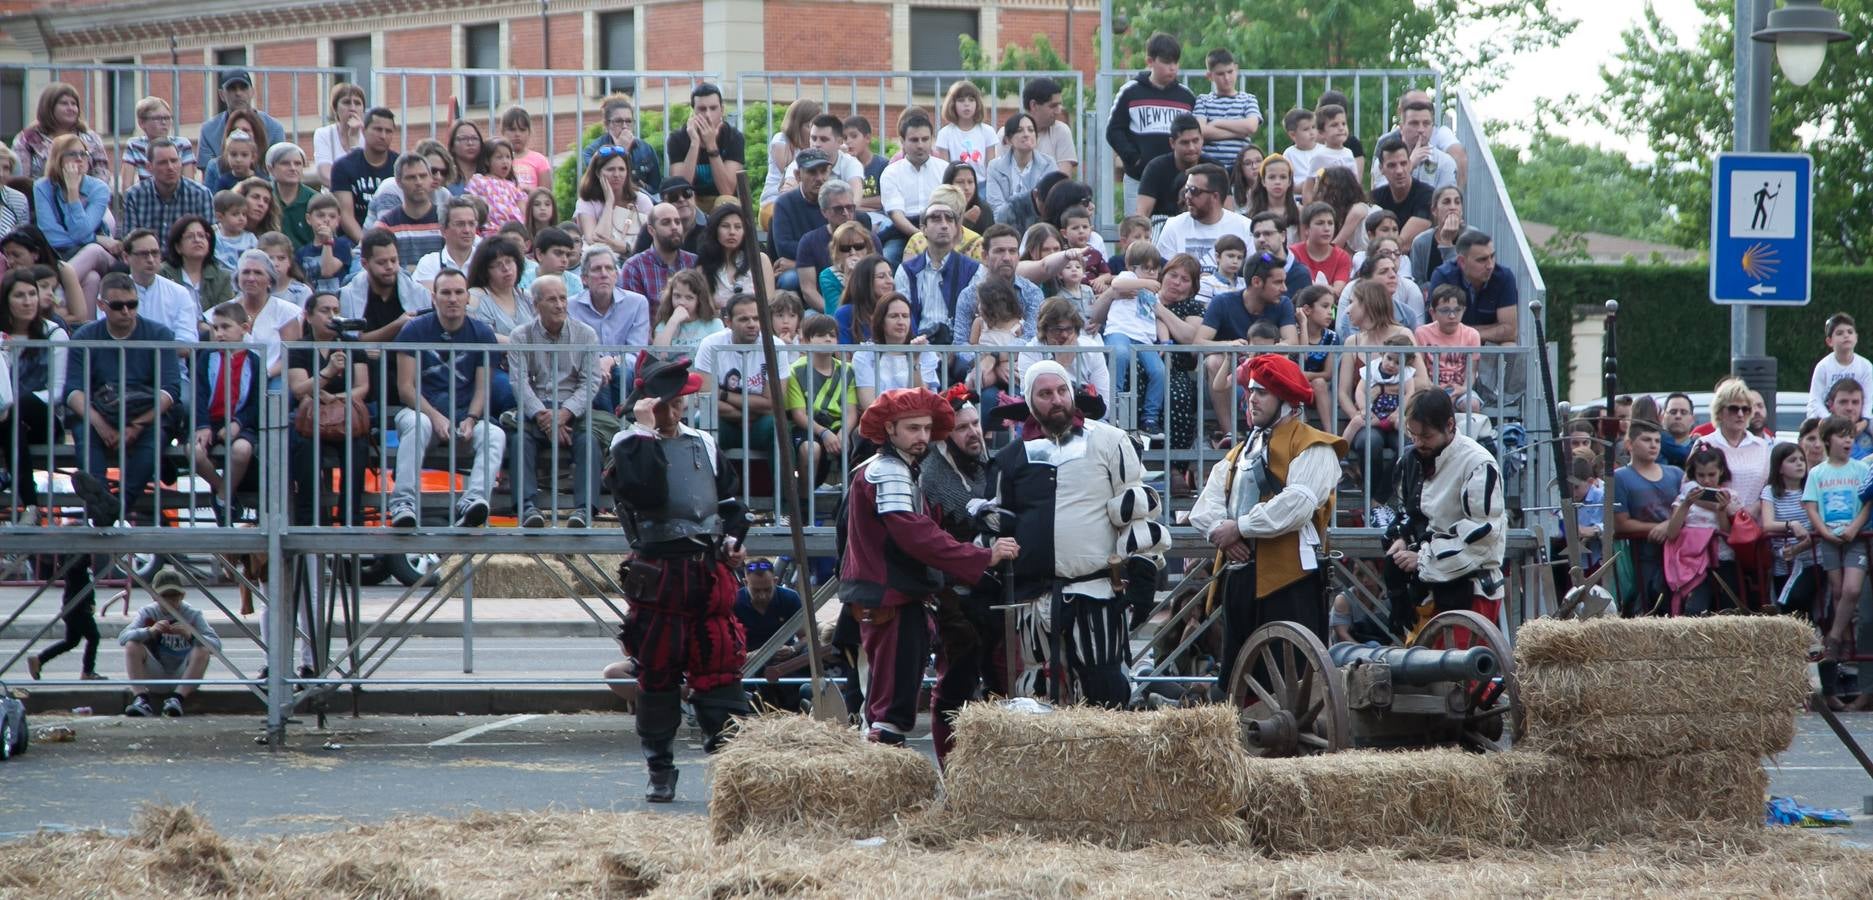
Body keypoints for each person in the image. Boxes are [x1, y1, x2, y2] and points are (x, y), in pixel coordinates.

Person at [605, 355, 752, 798]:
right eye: (663, 404)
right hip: (659, 576)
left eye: (677, 403)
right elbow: (648, 491)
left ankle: (728, 761)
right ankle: (660, 766)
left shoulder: (703, 443)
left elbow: (729, 503)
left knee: (720, 666)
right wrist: (645, 430)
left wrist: (734, 538)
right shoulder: (627, 446)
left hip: (706, 572)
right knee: (658, 673)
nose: (673, 412)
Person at [841, 387, 1014, 741]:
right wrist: (981, 556)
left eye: (925, 428)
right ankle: (887, 791)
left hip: (900, 597)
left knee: (890, 703)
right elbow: (916, 535)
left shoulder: (902, 469)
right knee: (890, 709)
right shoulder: (887, 471)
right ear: (889, 429)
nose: (921, 437)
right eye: (912, 429)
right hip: (891, 598)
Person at [990, 362, 1157, 706]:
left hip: (1096, 593)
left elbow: (1134, 507)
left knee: (1104, 691)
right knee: (1037, 696)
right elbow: (1000, 523)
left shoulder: (1110, 441)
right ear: (1031, 401)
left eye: (1062, 391)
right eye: (1045, 394)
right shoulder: (1011, 457)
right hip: (1034, 600)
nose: (1056, 400)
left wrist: (1142, 572)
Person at [1190, 354, 1346, 684]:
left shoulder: (1316, 446)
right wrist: (1224, 533)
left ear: (1286, 399)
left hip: (1290, 580)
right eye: (1250, 391)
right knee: (1237, 676)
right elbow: (1205, 508)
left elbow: (1298, 505)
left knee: (1291, 679)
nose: (1251, 399)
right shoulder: (1241, 450)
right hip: (1240, 576)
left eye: (1262, 392)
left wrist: (1240, 528)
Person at [1381, 389, 1508, 639]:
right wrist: (1401, 539)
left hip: (1469, 592)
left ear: (1450, 425)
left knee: (1455, 676)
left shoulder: (1478, 464)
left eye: (1426, 436)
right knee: (1418, 674)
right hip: (1427, 590)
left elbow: (1483, 536)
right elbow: (1407, 514)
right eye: (1412, 434)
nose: (1418, 442)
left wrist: (1423, 559)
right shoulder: (1410, 461)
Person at [388, 268, 504, 529]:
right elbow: (406, 388)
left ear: (467, 298)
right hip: (421, 411)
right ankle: (403, 503)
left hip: (464, 416)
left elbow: (483, 390)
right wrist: (435, 416)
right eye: (446, 292)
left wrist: (472, 419)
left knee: (495, 434)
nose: (452, 298)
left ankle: (473, 502)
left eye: (458, 292)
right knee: (419, 423)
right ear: (434, 297)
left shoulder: (482, 333)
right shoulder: (414, 330)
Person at [64, 273, 183, 526]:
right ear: (101, 305)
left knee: (154, 437)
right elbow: (72, 391)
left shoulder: (159, 334)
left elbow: (171, 390)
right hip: (101, 409)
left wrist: (137, 425)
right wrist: (100, 423)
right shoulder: (85, 336)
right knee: (85, 431)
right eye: (118, 306)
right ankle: (100, 497)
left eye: (133, 304)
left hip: (147, 410)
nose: (127, 311)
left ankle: (109, 506)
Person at [507, 275, 600, 528]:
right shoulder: (520, 336)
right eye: (552, 299)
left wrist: (565, 413)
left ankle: (584, 511)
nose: (560, 305)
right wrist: (543, 416)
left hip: (573, 411)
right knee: (519, 440)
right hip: (536, 410)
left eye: (562, 298)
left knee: (589, 441)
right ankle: (527, 509)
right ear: (536, 305)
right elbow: (519, 382)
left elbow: (591, 382)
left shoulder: (586, 334)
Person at [287, 290, 371, 526]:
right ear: (309, 315)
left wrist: (332, 398)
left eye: (336, 311)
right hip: (310, 418)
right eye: (325, 310)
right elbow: (298, 389)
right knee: (304, 445)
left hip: (344, 414)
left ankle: (350, 519)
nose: (332, 316)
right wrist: (328, 373)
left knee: (358, 444)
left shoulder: (352, 345)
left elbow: (362, 387)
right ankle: (308, 520)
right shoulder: (299, 347)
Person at [1200, 252, 1298, 432]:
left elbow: (1292, 342)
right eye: (1277, 282)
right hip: (1231, 380)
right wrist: (1230, 347)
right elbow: (1198, 342)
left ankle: (1283, 433)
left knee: (1286, 359)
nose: (1284, 288)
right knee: (1214, 360)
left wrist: (1266, 351)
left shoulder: (1283, 303)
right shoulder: (1222, 302)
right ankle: (1230, 434)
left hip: (1266, 377)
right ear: (1256, 282)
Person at [1, 271, 67, 526]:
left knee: (18, 406)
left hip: (43, 417)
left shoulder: (54, 334)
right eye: (19, 295)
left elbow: (58, 391)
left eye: (32, 294)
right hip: (7, 422)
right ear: (6, 301)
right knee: (12, 424)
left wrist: (12, 403)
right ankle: (30, 505)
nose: (28, 301)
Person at [189, 300, 263, 522]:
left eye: (225, 327)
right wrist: (202, 425)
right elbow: (198, 395)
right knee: (194, 452)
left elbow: (256, 402)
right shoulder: (206, 357)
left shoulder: (254, 360)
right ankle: (225, 495)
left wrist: (238, 423)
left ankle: (221, 498)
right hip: (209, 420)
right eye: (215, 327)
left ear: (244, 328)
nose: (219, 333)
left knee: (241, 450)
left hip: (240, 422)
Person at [1107, 31, 1196, 214]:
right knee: (1137, 230)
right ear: (1150, 61)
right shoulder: (1130, 91)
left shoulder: (1186, 96)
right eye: (1166, 62)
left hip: (1177, 180)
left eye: (1175, 62)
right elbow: (1114, 130)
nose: (1172, 68)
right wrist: (1134, 159)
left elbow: (1196, 134)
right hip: (1138, 179)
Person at [119, 569, 222, 718]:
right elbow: (123, 638)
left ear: (182, 595)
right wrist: (149, 631)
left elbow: (216, 645)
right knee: (132, 645)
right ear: (154, 596)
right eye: (164, 596)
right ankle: (141, 699)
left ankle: (177, 699)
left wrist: (191, 636)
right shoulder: (148, 613)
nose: (169, 601)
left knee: (203, 650)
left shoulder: (192, 614)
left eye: (174, 596)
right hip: (155, 673)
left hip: (183, 675)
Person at [33, 134, 117, 309]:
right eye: (72, 154)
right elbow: (51, 237)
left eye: (83, 153)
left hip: (100, 256)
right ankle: (81, 330)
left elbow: (81, 232)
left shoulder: (99, 188)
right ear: (58, 158)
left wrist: (73, 193)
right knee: (91, 278)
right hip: (60, 255)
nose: (79, 159)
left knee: (93, 250)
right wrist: (97, 238)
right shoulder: (42, 187)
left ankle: (53, 293)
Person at [695, 293, 785, 452]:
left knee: (777, 426)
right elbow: (707, 400)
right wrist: (747, 415)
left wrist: (723, 395)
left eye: (756, 318)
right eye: (744, 319)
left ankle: (785, 478)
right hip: (725, 422)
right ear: (728, 322)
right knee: (701, 421)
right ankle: (704, 478)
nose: (752, 324)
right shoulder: (710, 344)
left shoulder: (775, 345)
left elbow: (773, 404)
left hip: (761, 424)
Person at [1156, 162, 1256, 286]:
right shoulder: (1173, 226)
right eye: (1186, 190)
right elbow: (1163, 275)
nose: (1187, 196)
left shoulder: (1245, 227)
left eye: (1194, 191)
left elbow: (1260, 265)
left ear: (1215, 196)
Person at [338, 228, 433, 348]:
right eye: (381, 262)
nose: (389, 267)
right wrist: (397, 326)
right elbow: (351, 341)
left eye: (394, 260)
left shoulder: (419, 293)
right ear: (364, 264)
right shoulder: (348, 295)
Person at [735, 557, 807, 712]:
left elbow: (806, 637)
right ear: (745, 583)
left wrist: (793, 649)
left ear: (775, 581)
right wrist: (743, 656)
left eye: (767, 590)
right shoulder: (734, 602)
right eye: (756, 590)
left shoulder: (790, 598)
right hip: (747, 664)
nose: (762, 596)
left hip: (784, 661)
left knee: (808, 653)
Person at [121, 139, 215, 253]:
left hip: (188, 261)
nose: (170, 167)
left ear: (181, 163)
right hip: (148, 261)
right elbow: (130, 242)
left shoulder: (201, 194)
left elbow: (209, 241)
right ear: (149, 167)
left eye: (174, 161)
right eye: (163, 163)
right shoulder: (134, 196)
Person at [1426, 229, 1518, 345]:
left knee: (1509, 346)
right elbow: (1437, 325)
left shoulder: (1504, 276)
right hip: (1451, 345)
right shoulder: (1443, 276)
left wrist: (1468, 333)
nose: (1490, 265)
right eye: (1482, 260)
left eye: (1492, 256)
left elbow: (1510, 331)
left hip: (1488, 345)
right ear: (1462, 262)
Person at [228, 249, 303, 387]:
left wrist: (264, 374)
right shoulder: (224, 311)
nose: (251, 278)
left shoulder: (286, 312)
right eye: (245, 272)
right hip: (230, 378)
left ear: (269, 280)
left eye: (258, 273)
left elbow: (290, 355)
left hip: (272, 377)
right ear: (238, 278)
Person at [879, 112, 946, 266]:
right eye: (914, 140)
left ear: (932, 140)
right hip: (902, 232)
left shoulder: (944, 169)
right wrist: (921, 236)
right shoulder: (891, 172)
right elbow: (896, 215)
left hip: (941, 228)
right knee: (888, 257)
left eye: (925, 139)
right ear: (902, 141)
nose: (920, 145)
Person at [666, 83, 746, 211]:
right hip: (691, 201)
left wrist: (711, 145)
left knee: (725, 201)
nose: (708, 115)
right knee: (682, 203)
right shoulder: (677, 139)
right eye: (702, 109)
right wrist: (694, 144)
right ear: (693, 112)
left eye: (713, 108)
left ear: (722, 110)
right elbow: (679, 189)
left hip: (722, 203)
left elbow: (727, 190)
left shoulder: (734, 138)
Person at [121, 228, 204, 348]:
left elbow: (187, 345)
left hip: (168, 366)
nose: (150, 260)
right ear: (126, 257)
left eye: (155, 253)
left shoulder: (180, 293)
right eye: (143, 254)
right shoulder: (113, 293)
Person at [11, 82, 111, 181]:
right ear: (49, 107)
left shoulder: (91, 137)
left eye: (74, 104)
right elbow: (20, 179)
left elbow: (102, 173)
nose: (71, 108)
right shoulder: (27, 138)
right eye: (64, 103)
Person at [331, 108, 399, 243]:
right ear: (363, 130)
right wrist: (367, 245)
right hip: (354, 241)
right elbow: (345, 215)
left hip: (395, 239)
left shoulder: (400, 166)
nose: (383, 136)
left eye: (388, 131)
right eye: (378, 129)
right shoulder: (343, 166)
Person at [1368, 94, 1461, 191]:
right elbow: (1381, 198)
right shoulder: (1385, 162)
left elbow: (1446, 202)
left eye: (1426, 123)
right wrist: (1410, 165)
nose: (1421, 129)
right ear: (1401, 127)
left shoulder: (1445, 162)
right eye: (1414, 123)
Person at [772, 148, 834, 291]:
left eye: (823, 171)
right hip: (807, 270)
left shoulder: (836, 201)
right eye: (812, 172)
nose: (819, 178)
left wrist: (800, 262)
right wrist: (823, 254)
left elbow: (842, 243)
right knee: (790, 280)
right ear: (798, 175)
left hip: (831, 266)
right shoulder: (784, 203)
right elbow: (784, 247)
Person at [795, 181, 860, 312]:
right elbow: (808, 291)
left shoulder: (869, 239)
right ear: (824, 212)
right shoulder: (809, 241)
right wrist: (832, 313)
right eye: (838, 209)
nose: (846, 213)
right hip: (823, 308)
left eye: (850, 207)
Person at [1416, 284, 1483, 409]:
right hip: (1429, 388)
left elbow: (1472, 371)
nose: (1452, 316)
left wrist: (1463, 388)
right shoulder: (1421, 333)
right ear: (1433, 312)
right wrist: (1432, 388)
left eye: (1457, 310)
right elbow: (1420, 368)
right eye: (1445, 310)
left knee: (1472, 404)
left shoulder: (1472, 334)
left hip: (1460, 390)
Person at [695, 203, 773, 305]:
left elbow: (770, 304)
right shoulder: (703, 268)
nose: (732, 232)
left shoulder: (761, 261)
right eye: (725, 226)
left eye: (738, 227)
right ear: (715, 229)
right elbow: (706, 310)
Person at [580, 94, 663, 190]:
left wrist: (640, 187)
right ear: (607, 124)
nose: (624, 126)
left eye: (628, 121)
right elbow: (596, 184)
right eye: (618, 121)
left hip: (640, 200)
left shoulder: (646, 149)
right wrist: (620, 150)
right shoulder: (592, 151)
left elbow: (656, 187)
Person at [983, 113, 1054, 226]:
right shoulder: (995, 167)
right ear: (1008, 140)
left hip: (1040, 229)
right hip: (1005, 228)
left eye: (1031, 130)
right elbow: (997, 210)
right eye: (1019, 130)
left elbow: (1050, 205)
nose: (1026, 134)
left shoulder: (1049, 164)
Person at [620, 203, 699, 304]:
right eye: (666, 223)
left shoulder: (694, 262)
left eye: (678, 222)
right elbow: (634, 314)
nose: (674, 227)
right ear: (651, 230)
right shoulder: (634, 267)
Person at [375, 154, 444, 269]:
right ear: (398, 182)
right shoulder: (386, 225)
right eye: (411, 177)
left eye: (423, 176)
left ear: (431, 178)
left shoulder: (446, 220)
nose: (418, 182)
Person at [158, 216, 234, 313]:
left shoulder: (223, 277)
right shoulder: (163, 274)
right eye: (190, 236)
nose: (197, 240)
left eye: (201, 236)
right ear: (178, 247)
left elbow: (225, 315)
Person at [1370, 137, 1436, 246]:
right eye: (1392, 165)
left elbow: (1402, 244)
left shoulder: (1427, 195)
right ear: (1381, 169)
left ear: (1410, 164)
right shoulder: (1375, 197)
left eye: (1403, 163)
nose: (1399, 171)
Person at [1136, 115, 1205, 219]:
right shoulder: (1155, 168)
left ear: (1202, 139)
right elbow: (1142, 214)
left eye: (1195, 141)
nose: (1191, 148)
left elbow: (1228, 212)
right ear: (1172, 143)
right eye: (1185, 142)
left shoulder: (1213, 168)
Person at [1807, 313, 1873, 420]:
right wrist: (1829, 420)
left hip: (1857, 418)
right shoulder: (1823, 367)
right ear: (1829, 341)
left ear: (1856, 338)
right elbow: (1815, 400)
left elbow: (1868, 399)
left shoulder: (1865, 366)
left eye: (1850, 332)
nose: (1846, 335)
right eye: (1839, 333)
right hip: (1826, 419)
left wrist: (1865, 420)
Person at [1022, 78, 1078, 178]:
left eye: (1059, 105)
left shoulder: (1061, 131)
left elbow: (1062, 182)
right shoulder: (1007, 134)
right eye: (1053, 106)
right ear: (1033, 105)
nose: (1058, 111)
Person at [312, 82, 367, 184]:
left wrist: (354, 140)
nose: (352, 108)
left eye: (357, 103)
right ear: (335, 109)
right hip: (333, 196)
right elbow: (325, 175)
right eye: (346, 102)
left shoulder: (369, 136)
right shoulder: (324, 134)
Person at [1410, 185, 1465, 284]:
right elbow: (1417, 283)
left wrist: (1447, 243)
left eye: (1457, 202)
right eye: (1446, 202)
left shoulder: (1472, 237)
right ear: (1434, 210)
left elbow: (1460, 282)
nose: (1453, 207)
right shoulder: (1420, 242)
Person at [210, 190, 257, 271]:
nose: (241, 218)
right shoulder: (214, 238)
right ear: (220, 217)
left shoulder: (250, 239)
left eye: (244, 214)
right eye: (235, 214)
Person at [1660, 391, 1699, 468]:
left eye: (1683, 412)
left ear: (1693, 419)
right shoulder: (1652, 449)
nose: (1678, 416)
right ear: (1662, 417)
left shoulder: (1701, 449)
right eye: (1673, 412)